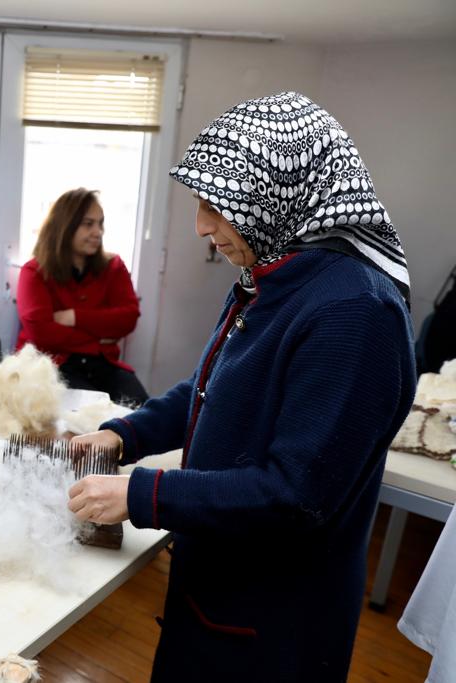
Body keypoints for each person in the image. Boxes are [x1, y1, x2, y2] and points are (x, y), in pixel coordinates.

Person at [67, 92, 416, 682]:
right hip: (219, 585)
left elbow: (294, 494)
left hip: (271, 618)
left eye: (217, 205)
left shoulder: (354, 314)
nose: (202, 227)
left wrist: (142, 494)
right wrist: (124, 435)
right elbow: (214, 386)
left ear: (278, 193)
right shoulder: (275, 276)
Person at [15, 188, 148, 406]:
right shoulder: (34, 271)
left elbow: (128, 318)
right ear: (65, 226)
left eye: (100, 224)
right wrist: (98, 339)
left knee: (143, 409)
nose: (98, 232)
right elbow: (41, 333)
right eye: (88, 224)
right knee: (90, 414)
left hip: (102, 364)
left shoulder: (114, 266)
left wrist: (74, 317)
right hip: (50, 367)